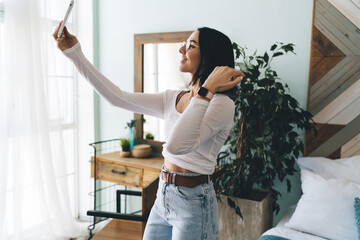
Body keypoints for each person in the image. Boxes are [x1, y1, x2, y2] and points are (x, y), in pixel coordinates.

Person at [53, 23, 244, 240]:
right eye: (184, 44)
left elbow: (175, 145)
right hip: (164, 194)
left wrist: (205, 90)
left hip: (194, 202)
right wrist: (74, 53)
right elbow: (118, 98)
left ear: (209, 55)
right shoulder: (173, 97)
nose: (181, 50)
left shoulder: (222, 104)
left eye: (191, 45)